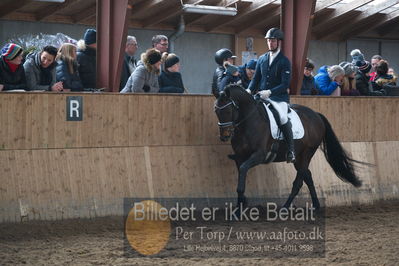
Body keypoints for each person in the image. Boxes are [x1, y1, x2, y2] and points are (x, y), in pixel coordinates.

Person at [247, 28, 295, 163]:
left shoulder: (284, 61)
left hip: (278, 98)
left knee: (283, 117)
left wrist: (270, 92)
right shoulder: (262, 59)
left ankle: (291, 150)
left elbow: (285, 84)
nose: (270, 43)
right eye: (269, 41)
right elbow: (256, 79)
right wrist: (249, 91)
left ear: (278, 42)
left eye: (273, 41)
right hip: (261, 96)